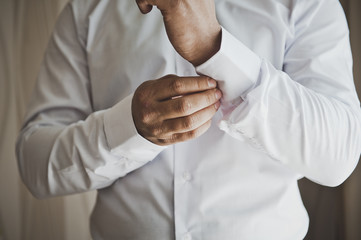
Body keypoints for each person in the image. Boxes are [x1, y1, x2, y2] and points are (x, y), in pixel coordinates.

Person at [16, 0, 361, 239]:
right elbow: (36, 164)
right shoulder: (87, 10)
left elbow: (338, 156)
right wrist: (128, 128)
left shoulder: (305, 4)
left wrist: (214, 48)